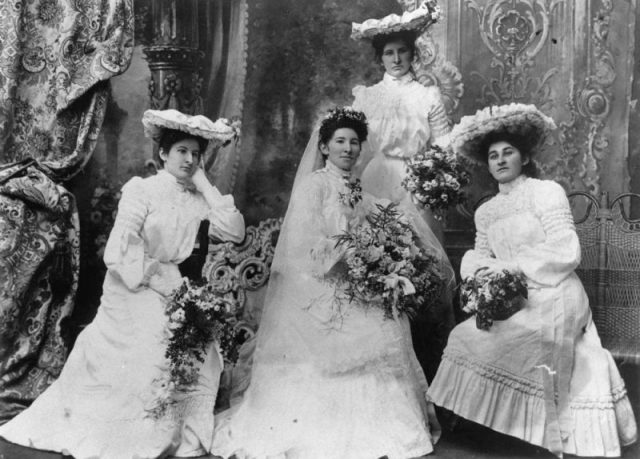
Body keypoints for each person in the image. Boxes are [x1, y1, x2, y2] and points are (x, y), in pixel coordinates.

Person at [0, 109, 245, 459]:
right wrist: (158, 279)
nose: (189, 160)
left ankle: (178, 429)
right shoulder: (141, 190)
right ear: (163, 153)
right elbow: (119, 251)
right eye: (182, 151)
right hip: (132, 285)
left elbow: (235, 231)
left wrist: (205, 184)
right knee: (154, 339)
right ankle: (132, 433)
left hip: (174, 287)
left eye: (196, 153)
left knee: (200, 344)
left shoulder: (197, 199)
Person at [212, 107, 442, 459]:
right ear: (323, 146)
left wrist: (379, 248)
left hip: (353, 280)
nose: (348, 148)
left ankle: (381, 427)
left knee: (388, 322)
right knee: (353, 331)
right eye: (340, 141)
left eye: (354, 142)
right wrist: (351, 252)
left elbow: (375, 219)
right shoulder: (314, 185)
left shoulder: (357, 189)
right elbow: (303, 245)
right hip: (316, 285)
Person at [427, 103, 638, 457]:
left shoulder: (546, 192)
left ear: (524, 157)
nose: (500, 160)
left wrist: (512, 268)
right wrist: (481, 272)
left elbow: (567, 250)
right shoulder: (487, 211)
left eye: (508, 152)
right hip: (515, 299)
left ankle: (544, 434)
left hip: (556, 293)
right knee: (465, 336)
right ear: (487, 164)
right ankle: (501, 427)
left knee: (530, 339)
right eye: (493, 155)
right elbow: (481, 258)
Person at [350, 0, 454, 380]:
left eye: (402, 51)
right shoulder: (367, 96)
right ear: (380, 58)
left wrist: (432, 176)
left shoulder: (428, 96)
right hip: (376, 178)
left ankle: (429, 364)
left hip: (416, 184)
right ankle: (384, 364)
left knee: (421, 265)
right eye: (389, 53)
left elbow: (446, 146)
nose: (396, 59)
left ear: (414, 53)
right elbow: (354, 147)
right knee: (378, 262)